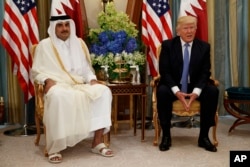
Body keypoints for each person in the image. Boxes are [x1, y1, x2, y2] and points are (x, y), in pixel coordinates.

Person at [31, 15, 114, 163]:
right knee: (57, 96)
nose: (64, 28)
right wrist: (47, 80)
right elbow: (37, 72)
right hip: (58, 85)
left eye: (66, 25)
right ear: (53, 27)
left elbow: (87, 70)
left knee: (104, 92)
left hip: (79, 84)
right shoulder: (44, 45)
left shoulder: (79, 44)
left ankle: (97, 142)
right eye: (60, 25)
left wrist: (93, 80)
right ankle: (55, 147)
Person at [157, 16, 219, 152]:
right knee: (162, 91)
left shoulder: (204, 47)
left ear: (196, 29)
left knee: (212, 91)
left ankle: (203, 137)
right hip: (173, 84)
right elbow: (165, 71)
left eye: (192, 27)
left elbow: (205, 72)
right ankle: (166, 136)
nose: (189, 31)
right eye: (186, 28)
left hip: (194, 85)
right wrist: (176, 91)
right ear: (178, 31)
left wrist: (196, 92)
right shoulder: (168, 46)